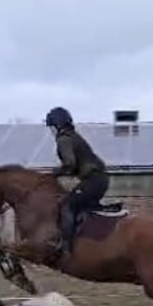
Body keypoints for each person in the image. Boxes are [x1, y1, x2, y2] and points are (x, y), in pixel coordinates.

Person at [45, 106, 109, 254]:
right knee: (79, 206)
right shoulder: (73, 136)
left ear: (57, 124)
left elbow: (69, 163)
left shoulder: (64, 139)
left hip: (93, 180)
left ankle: (65, 247)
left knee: (67, 206)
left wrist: (54, 174)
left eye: (52, 127)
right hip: (99, 180)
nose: (51, 131)